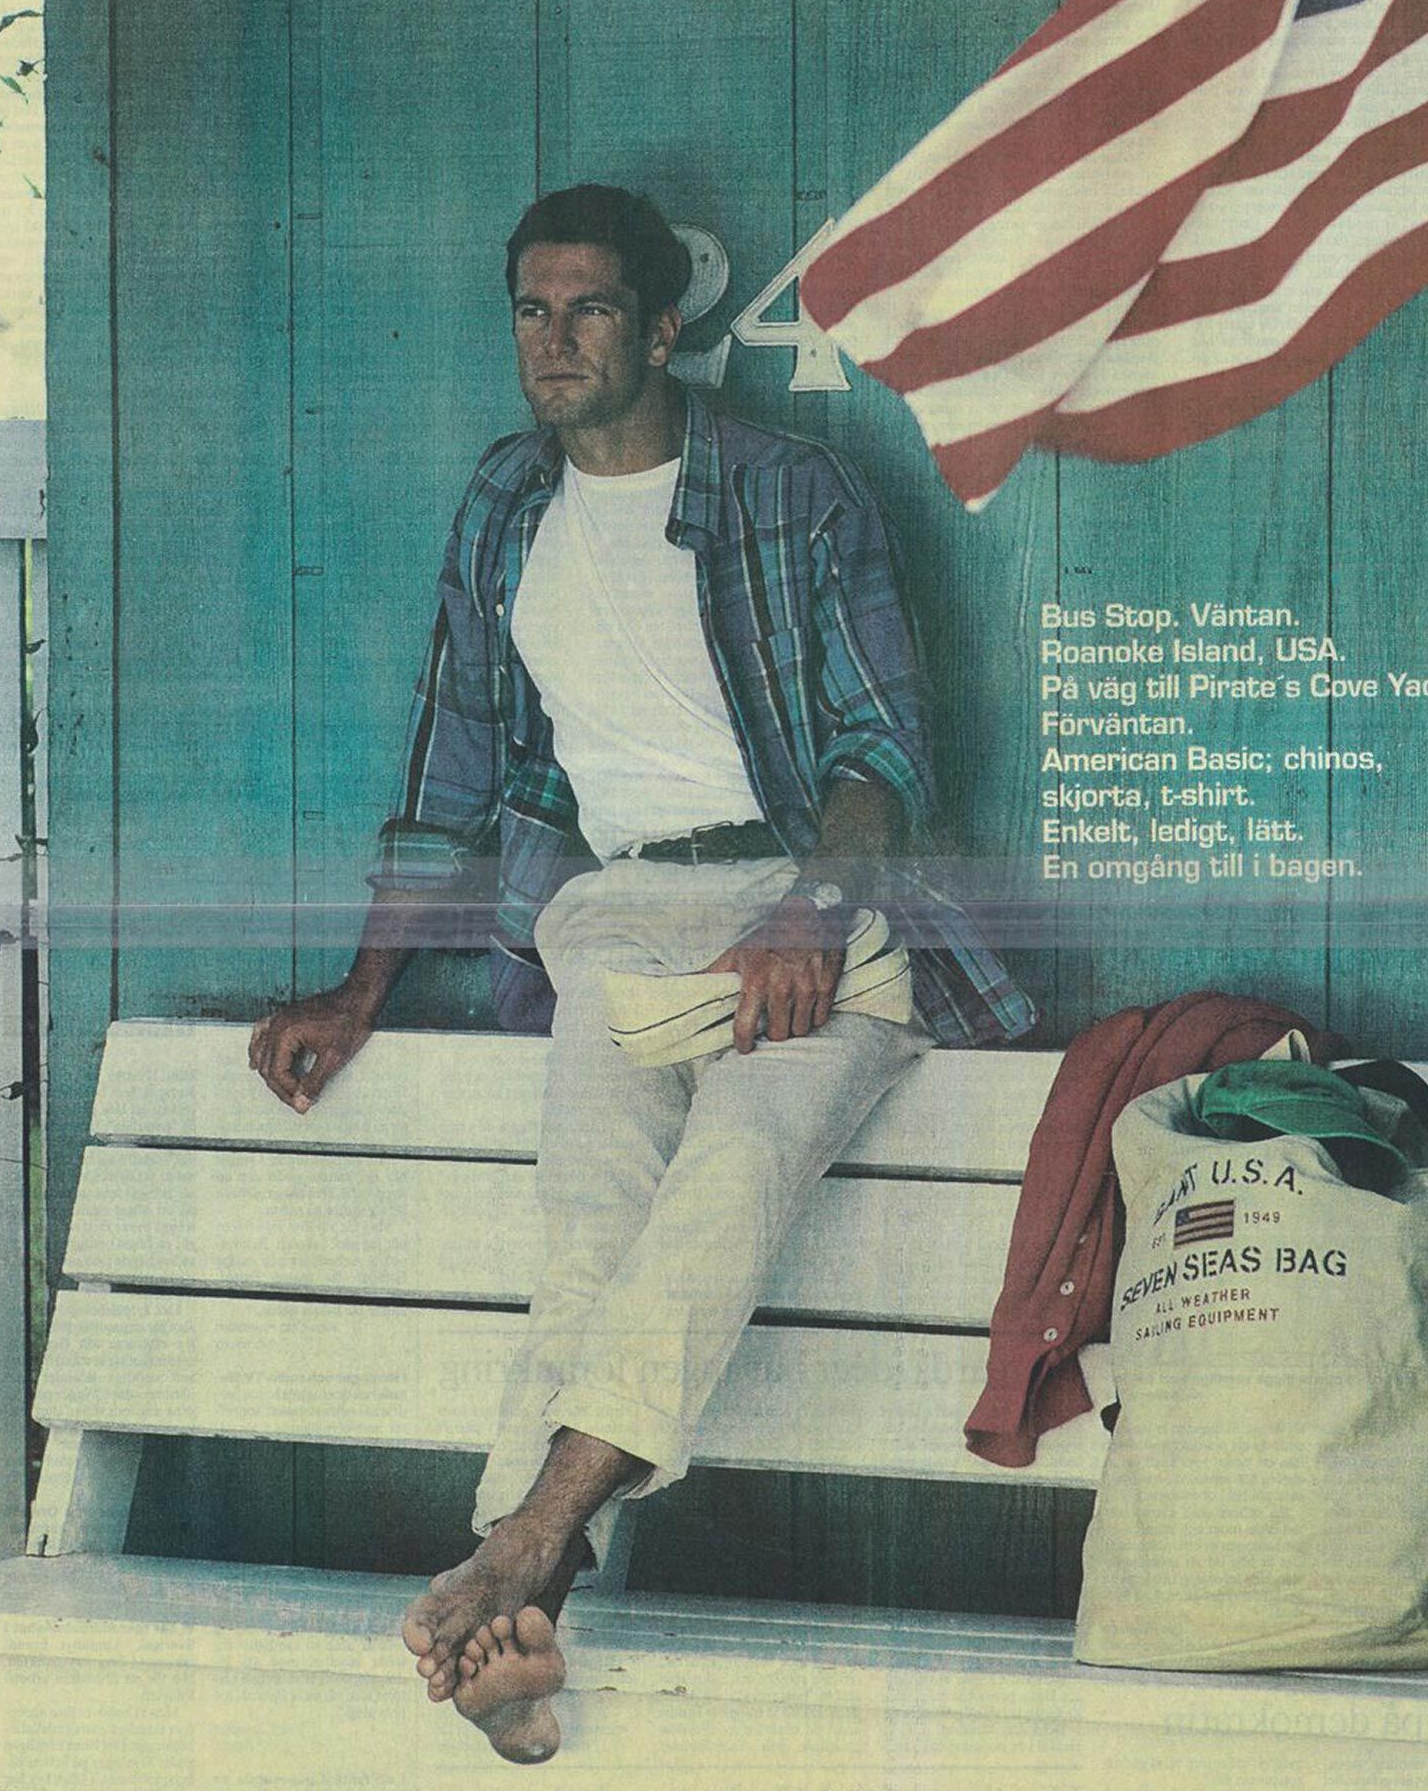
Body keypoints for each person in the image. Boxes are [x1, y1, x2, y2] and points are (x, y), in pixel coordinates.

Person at [248, 183, 1034, 1765]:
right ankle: (522, 1627)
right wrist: (359, 989)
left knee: (733, 1165)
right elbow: (449, 768)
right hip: (613, 918)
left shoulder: (793, 493)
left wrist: (814, 910)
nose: (553, 341)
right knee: (590, 1223)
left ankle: (524, 1552)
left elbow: (884, 751)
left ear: (665, 326)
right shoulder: (504, 505)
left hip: (814, 908)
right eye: (531, 311)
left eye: (590, 309)